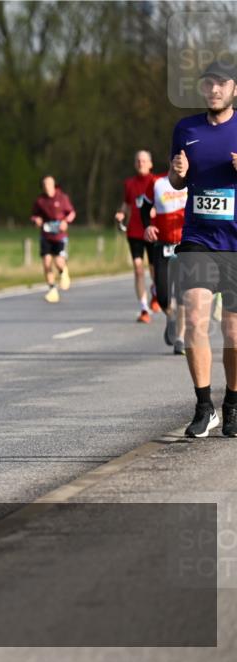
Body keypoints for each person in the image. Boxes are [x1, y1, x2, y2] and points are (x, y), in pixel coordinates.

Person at [168, 60, 237, 437]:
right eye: (208, 84)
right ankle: (203, 405)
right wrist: (178, 171)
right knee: (194, 318)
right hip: (198, 239)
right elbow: (176, 179)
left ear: (234, 89)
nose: (214, 90)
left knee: (233, 331)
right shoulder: (186, 128)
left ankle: (233, 405)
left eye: (221, 84)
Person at [139, 166, 188, 355]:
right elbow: (144, 208)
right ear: (170, 160)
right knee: (162, 295)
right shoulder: (157, 182)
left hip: (186, 244)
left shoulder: (192, 181)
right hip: (162, 244)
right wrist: (147, 226)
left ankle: (180, 339)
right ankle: (171, 315)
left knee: (183, 293)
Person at [115, 150, 159, 322]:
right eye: (138, 161)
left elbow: (165, 202)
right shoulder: (129, 183)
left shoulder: (157, 182)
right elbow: (126, 204)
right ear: (135, 164)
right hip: (134, 231)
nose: (141, 163)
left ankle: (156, 292)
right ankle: (144, 309)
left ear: (150, 164)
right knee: (138, 270)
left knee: (155, 270)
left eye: (144, 160)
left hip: (153, 231)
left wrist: (157, 211)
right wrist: (121, 213)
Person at [31, 176, 76, 303]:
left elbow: (72, 213)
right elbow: (34, 216)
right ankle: (52, 290)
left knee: (58, 262)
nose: (47, 187)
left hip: (60, 236)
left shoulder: (62, 198)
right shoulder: (40, 201)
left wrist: (66, 222)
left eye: (49, 184)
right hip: (46, 235)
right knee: (46, 262)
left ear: (54, 185)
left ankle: (63, 272)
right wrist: (36, 220)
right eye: (45, 184)